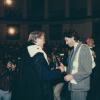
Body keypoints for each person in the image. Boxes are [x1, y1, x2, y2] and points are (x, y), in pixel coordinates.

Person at [12, 31, 65, 100]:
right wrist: (60, 70)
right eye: (43, 39)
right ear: (36, 39)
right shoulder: (37, 54)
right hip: (37, 92)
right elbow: (44, 75)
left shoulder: (24, 51)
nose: (44, 42)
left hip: (25, 90)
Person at [64, 31, 93, 100]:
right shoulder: (73, 50)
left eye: (67, 40)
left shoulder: (84, 48)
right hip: (74, 87)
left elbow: (87, 71)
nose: (66, 43)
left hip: (80, 87)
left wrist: (72, 76)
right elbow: (73, 68)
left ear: (72, 38)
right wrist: (64, 68)